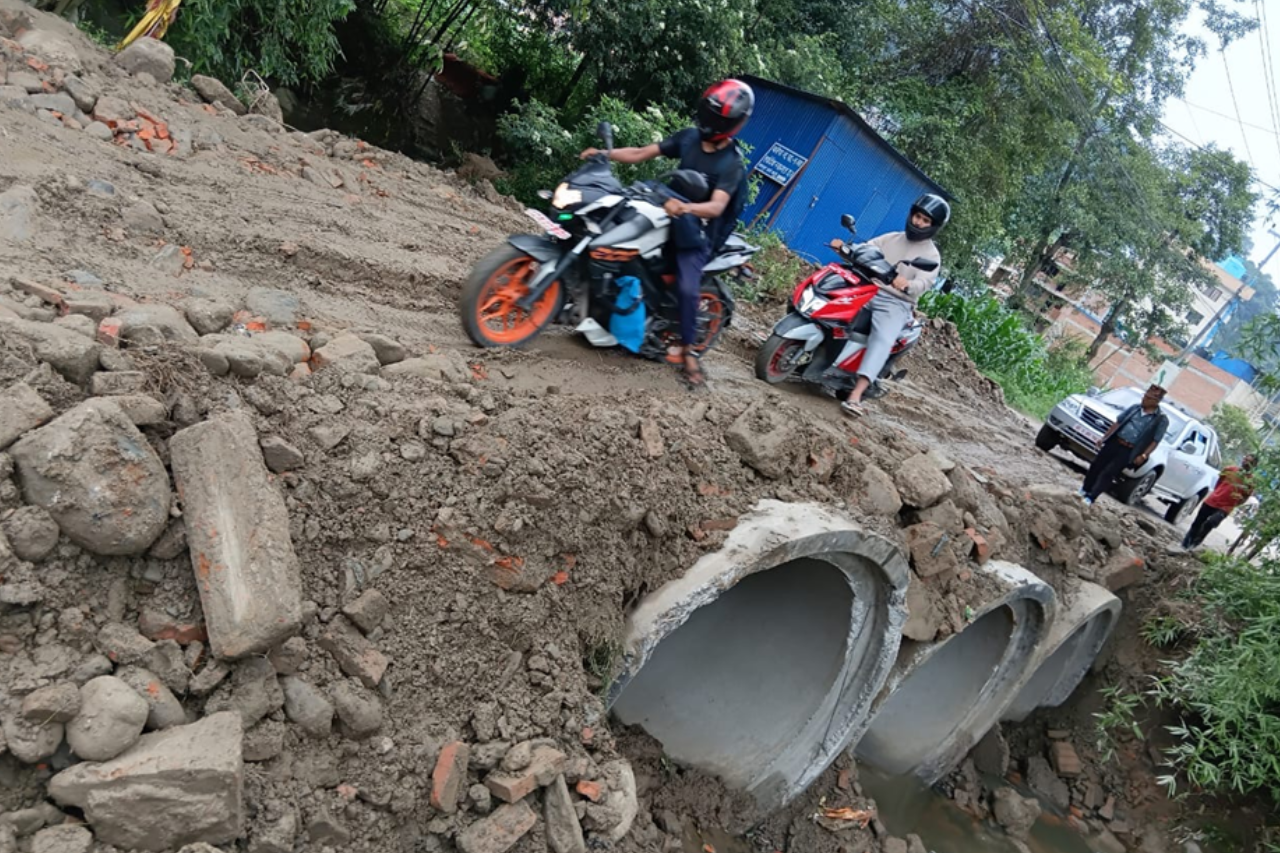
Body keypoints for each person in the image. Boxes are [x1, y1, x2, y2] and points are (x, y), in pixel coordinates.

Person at [580, 79, 754, 386]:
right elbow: (640, 152)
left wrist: (686, 208)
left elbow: (716, 207)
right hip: (665, 207)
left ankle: (689, 353)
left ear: (733, 124)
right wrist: (605, 154)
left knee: (687, 287)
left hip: (699, 232)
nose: (709, 121)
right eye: (709, 113)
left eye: (717, 118)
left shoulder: (732, 165)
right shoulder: (689, 137)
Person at [836, 193, 949, 417]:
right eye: (917, 216)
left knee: (882, 339)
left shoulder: (931, 256)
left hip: (895, 301)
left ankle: (856, 395)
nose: (919, 222)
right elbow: (867, 248)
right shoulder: (893, 238)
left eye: (925, 220)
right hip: (868, 287)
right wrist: (845, 248)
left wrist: (907, 284)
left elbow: (924, 283)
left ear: (933, 226)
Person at [1078, 384, 1170, 506]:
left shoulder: (1161, 419)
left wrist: (1143, 455)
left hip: (1128, 451)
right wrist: (1104, 438)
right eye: (1145, 396)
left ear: (1156, 401)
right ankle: (1085, 489)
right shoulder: (1135, 408)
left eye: (1148, 398)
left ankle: (1091, 497)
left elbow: (1155, 441)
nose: (1144, 399)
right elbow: (1118, 423)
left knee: (1108, 473)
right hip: (1115, 442)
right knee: (1096, 465)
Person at [1181, 453, 1258, 549]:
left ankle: (1195, 544)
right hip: (1212, 500)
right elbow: (1219, 482)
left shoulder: (1251, 481)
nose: (1245, 462)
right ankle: (1185, 544)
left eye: (1249, 461)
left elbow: (1245, 497)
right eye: (1245, 459)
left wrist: (1233, 504)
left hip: (1225, 507)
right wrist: (1217, 493)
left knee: (1210, 523)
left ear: (1254, 465)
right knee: (1197, 522)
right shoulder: (1229, 470)